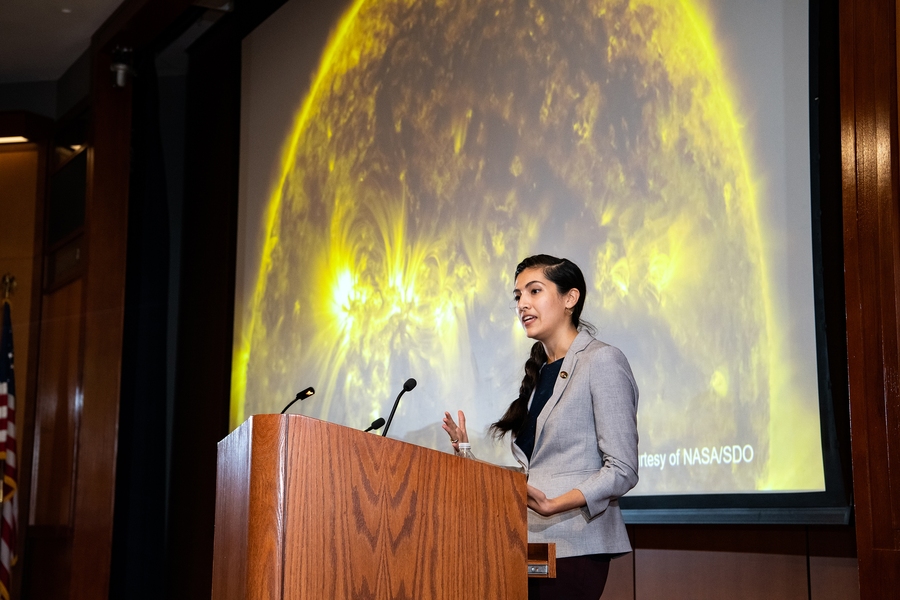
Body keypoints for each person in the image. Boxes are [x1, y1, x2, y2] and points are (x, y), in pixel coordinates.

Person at [442, 254, 639, 599]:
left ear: (570, 298)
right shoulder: (538, 372)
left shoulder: (602, 360)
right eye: (518, 296)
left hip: (576, 545)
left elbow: (622, 469)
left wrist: (556, 504)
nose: (523, 304)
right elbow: (531, 473)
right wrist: (465, 452)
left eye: (534, 291)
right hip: (526, 542)